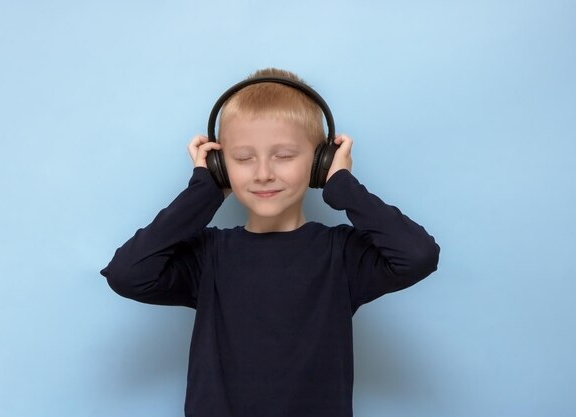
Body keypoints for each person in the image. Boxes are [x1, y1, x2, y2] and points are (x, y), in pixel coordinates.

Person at [100, 68, 440, 417]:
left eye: (284, 156)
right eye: (244, 159)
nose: (263, 173)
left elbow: (417, 255)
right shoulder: (208, 257)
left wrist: (342, 185)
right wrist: (203, 193)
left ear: (319, 161)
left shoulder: (342, 255)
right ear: (220, 165)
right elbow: (127, 274)